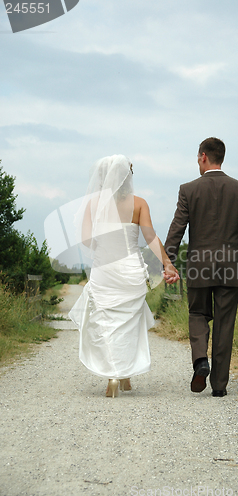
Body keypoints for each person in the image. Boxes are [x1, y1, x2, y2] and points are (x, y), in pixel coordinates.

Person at [164, 138, 238, 397]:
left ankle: (201, 360)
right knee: (225, 324)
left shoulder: (188, 190)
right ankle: (219, 386)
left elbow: (177, 228)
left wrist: (169, 262)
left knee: (198, 314)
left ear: (203, 157)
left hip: (199, 266)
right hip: (231, 267)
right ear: (221, 157)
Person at [69, 155, 179, 398]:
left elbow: (86, 240)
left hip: (105, 270)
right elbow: (150, 238)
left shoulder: (93, 205)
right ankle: (124, 373)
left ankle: (114, 376)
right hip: (130, 270)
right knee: (128, 324)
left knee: (106, 323)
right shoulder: (139, 204)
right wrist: (167, 264)